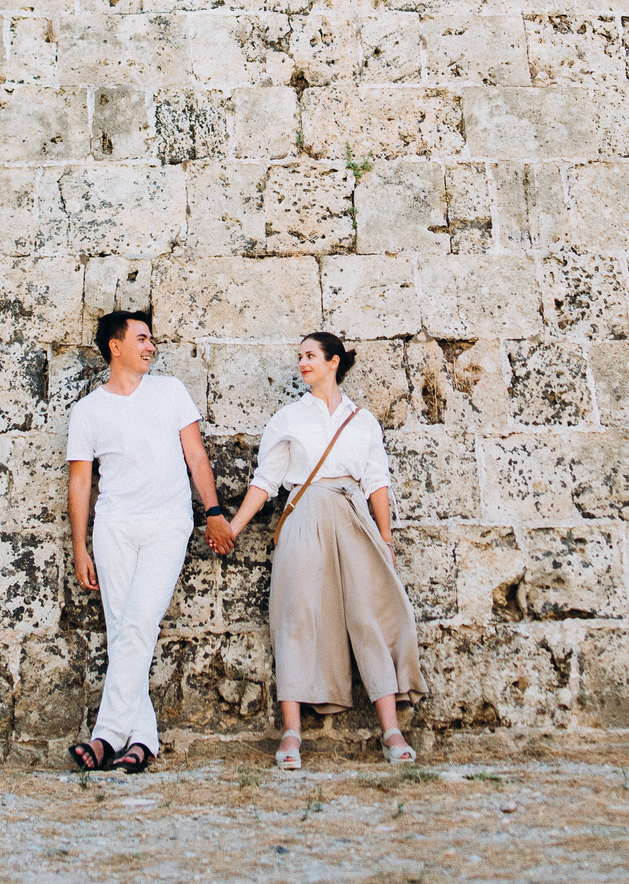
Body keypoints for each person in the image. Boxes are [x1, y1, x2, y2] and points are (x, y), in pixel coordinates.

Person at [218, 331, 425, 770]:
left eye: (311, 355)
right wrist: (233, 527)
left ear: (334, 362)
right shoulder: (289, 418)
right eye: (300, 356)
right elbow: (267, 480)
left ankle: (391, 730)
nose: (303, 363)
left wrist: (386, 539)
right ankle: (291, 733)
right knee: (296, 614)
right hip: (304, 512)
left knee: (370, 615)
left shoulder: (362, 421)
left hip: (353, 516)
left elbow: (376, 481)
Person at [65, 310, 235, 773]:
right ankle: (141, 740)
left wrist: (213, 511)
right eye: (141, 338)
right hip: (114, 528)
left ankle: (105, 737)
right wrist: (79, 546)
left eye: (151, 338)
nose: (150, 346)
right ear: (115, 346)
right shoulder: (88, 410)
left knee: (139, 623)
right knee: (124, 632)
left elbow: (196, 455)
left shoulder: (170, 391)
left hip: (167, 522)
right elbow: (81, 483)